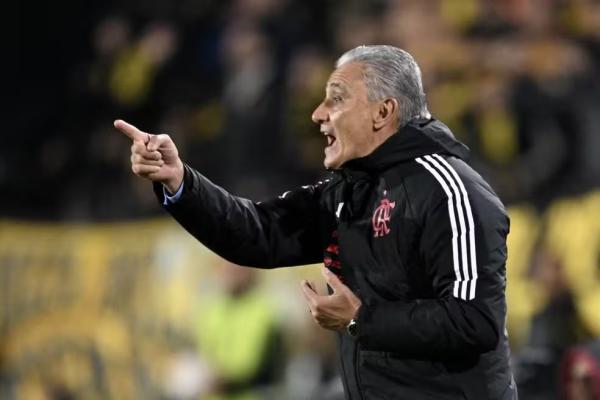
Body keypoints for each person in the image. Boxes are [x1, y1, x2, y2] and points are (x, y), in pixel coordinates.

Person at [115, 45, 517, 399]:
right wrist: (180, 181)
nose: (317, 113)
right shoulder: (348, 192)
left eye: (336, 99)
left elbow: (474, 320)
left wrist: (362, 319)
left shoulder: (450, 191)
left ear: (383, 112)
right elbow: (259, 232)